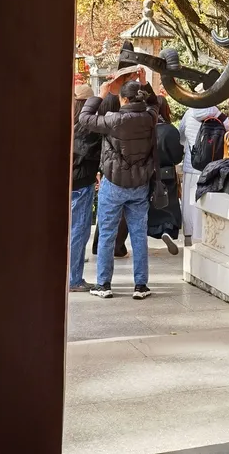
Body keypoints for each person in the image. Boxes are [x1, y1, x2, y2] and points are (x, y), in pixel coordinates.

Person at [80, 69, 159, 299]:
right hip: (140, 185)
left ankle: (104, 284)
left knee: (106, 233)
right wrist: (145, 83)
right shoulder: (149, 118)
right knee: (138, 235)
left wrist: (100, 94)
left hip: (113, 183)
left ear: (122, 99)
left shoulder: (113, 120)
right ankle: (140, 286)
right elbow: (154, 104)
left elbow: (84, 119)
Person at [179, 86, 229, 246]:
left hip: (191, 164)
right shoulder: (219, 115)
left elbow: (181, 137)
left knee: (189, 203)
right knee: (204, 201)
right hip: (210, 166)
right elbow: (228, 131)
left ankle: (189, 237)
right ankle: (203, 238)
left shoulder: (188, 114)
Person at [69, 85, 102, 292]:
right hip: (82, 182)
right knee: (78, 232)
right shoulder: (88, 126)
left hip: (68, 182)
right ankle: (74, 279)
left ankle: (69, 276)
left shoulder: (68, 120)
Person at [147, 96, 184, 254]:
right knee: (169, 204)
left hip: (148, 173)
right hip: (167, 173)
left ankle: (151, 230)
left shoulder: (145, 128)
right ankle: (167, 231)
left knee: (151, 205)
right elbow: (177, 157)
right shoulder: (170, 130)